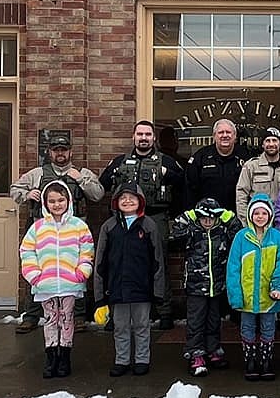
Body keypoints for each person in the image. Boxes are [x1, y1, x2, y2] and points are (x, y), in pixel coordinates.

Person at [10, 134, 103, 332]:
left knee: (78, 273)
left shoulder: (82, 172)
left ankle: (78, 316)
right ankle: (32, 315)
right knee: (38, 273)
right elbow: (14, 189)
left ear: (70, 152)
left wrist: (82, 180)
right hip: (43, 233)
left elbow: (98, 194)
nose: (60, 153)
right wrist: (27, 194)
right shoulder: (37, 174)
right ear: (50, 152)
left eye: (64, 150)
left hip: (74, 232)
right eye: (56, 150)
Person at [100, 120, 183, 331]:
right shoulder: (120, 162)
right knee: (119, 264)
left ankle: (164, 311)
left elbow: (184, 184)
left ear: (153, 138)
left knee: (159, 264)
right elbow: (103, 184)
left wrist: (168, 176)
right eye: (140, 134)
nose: (144, 138)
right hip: (123, 220)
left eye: (148, 134)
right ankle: (115, 312)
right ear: (133, 137)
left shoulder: (167, 161)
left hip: (155, 218)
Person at [19, 181, 94, 379]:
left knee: (67, 319)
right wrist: (34, 275)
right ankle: (51, 357)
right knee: (51, 320)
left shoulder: (79, 226)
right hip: (46, 284)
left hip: (70, 283)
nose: (57, 204)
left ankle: (65, 357)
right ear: (45, 203)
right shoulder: (38, 228)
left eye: (61, 200)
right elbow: (27, 251)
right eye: (52, 201)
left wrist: (82, 272)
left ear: (68, 201)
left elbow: (87, 252)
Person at [93, 182, 165, 377]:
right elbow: (100, 262)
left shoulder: (149, 225)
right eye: (123, 198)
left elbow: (157, 259)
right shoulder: (109, 226)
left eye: (131, 198)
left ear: (140, 201)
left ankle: (142, 359)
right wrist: (100, 296)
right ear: (116, 202)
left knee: (142, 326)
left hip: (142, 287)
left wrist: (158, 290)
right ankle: (122, 359)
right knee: (120, 327)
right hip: (116, 287)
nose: (127, 201)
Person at [169, 197, 242, 377]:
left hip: (216, 286)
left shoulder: (222, 232)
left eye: (211, 218)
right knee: (195, 322)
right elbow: (175, 232)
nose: (208, 222)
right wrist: (193, 213)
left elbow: (238, 230)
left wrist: (224, 214)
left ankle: (213, 349)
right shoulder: (192, 233)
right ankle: (196, 354)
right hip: (196, 287)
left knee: (214, 321)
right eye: (204, 218)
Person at [227, 193, 280, 382]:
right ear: (250, 215)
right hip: (247, 296)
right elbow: (233, 268)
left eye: (264, 212)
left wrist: (279, 287)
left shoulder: (278, 238)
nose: (260, 216)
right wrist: (235, 294)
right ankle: (250, 361)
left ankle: (266, 360)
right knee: (247, 327)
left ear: (270, 215)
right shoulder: (241, 237)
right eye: (256, 213)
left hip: (269, 297)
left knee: (268, 328)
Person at [235, 126, 280, 224]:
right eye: (267, 141)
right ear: (262, 144)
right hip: (257, 222)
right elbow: (241, 195)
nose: (271, 144)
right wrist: (246, 222)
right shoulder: (251, 166)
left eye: (275, 140)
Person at [185, 118, 245, 211]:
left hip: (237, 216)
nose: (225, 135)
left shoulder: (245, 156)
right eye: (221, 132)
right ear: (214, 136)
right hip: (207, 218)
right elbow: (190, 190)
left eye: (228, 132)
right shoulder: (200, 157)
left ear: (235, 136)